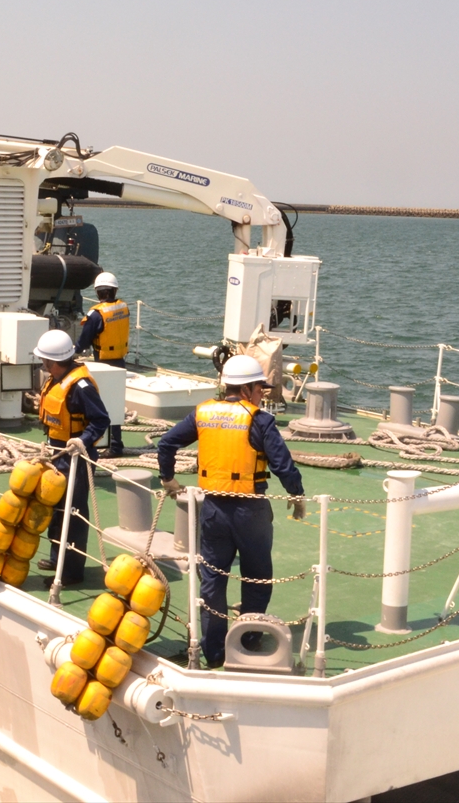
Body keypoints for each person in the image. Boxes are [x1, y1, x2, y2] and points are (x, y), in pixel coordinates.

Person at [157, 355, 306, 669]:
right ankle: (247, 640)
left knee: (213, 578)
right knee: (257, 576)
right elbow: (283, 465)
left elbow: (167, 443)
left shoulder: (202, 413)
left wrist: (168, 478)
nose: (261, 395)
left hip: (212, 510)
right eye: (260, 389)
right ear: (248, 389)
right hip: (251, 512)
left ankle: (214, 652)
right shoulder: (259, 420)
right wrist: (297, 494)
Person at [32, 329, 110, 588]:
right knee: (56, 509)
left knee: (72, 513)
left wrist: (82, 441)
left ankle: (72, 571)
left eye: (44, 360)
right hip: (57, 454)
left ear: (52, 361)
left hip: (76, 457)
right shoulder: (57, 380)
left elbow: (101, 420)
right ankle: (58, 559)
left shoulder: (81, 387)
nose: (43, 364)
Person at [75, 270, 130, 457]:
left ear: (98, 293)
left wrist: (72, 351)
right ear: (115, 290)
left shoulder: (96, 314)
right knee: (115, 402)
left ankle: (107, 444)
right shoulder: (123, 307)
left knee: (101, 404)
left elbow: (83, 342)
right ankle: (116, 443)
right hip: (120, 362)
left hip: (103, 364)